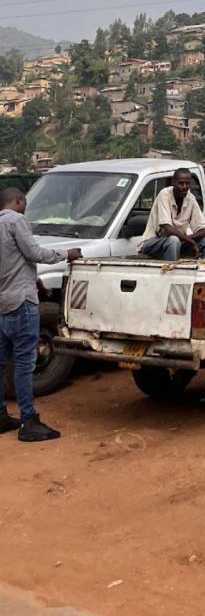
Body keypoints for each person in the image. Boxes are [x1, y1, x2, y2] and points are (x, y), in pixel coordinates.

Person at [0, 186, 81, 442]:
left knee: (1, 363)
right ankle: (28, 421)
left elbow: (14, 260)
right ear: (18, 200)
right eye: (24, 202)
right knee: (25, 364)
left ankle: (1, 415)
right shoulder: (17, 220)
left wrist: (34, 280)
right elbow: (34, 253)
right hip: (22, 303)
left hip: (2, 303)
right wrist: (67, 254)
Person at [139, 168, 205, 261]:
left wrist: (187, 239)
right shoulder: (164, 195)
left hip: (179, 242)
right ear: (173, 182)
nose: (184, 187)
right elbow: (167, 230)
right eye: (181, 183)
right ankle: (172, 273)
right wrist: (190, 241)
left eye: (187, 183)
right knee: (173, 240)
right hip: (153, 242)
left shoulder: (190, 198)